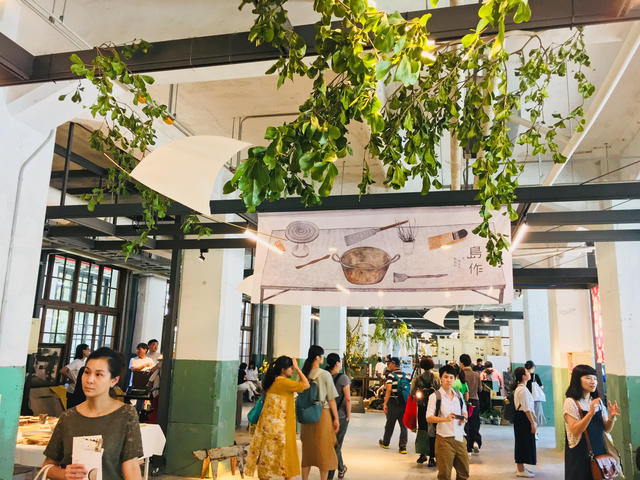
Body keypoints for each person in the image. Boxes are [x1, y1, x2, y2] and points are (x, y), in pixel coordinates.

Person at [42, 347, 143, 480]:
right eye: (87, 372)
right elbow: (47, 466)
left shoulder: (126, 414)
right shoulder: (68, 417)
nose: (89, 380)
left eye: (98, 374)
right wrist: (64, 473)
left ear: (114, 380)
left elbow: (131, 466)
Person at [246, 356, 309, 480]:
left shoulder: (272, 382)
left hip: (268, 428)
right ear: (283, 370)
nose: (292, 370)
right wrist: (298, 368)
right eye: (290, 368)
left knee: (268, 461)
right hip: (281, 430)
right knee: (287, 466)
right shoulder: (284, 383)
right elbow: (306, 385)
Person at [564, 364, 621, 480]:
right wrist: (590, 414)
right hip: (580, 452)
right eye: (588, 378)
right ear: (577, 380)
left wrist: (611, 417)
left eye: (595, 378)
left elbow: (606, 429)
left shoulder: (597, 401)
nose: (593, 382)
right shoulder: (571, 402)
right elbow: (575, 430)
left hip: (599, 449)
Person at [301, 345, 340, 480]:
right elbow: (331, 399)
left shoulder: (304, 374)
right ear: (317, 357)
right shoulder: (325, 374)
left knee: (307, 452)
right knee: (324, 451)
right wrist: (336, 418)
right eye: (322, 355)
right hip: (322, 415)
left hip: (306, 416)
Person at [426, 364, 469, 480]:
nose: (448, 380)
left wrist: (463, 419)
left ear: (455, 379)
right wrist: (445, 419)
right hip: (444, 438)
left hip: (459, 435)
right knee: (444, 474)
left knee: (464, 472)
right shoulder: (435, 396)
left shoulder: (459, 395)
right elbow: (429, 417)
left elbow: (465, 412)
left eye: (451, 377)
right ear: (441, 379)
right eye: (445, 377)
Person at [411, 356, 439, 467]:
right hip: (433, 408)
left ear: (421, 366)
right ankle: (432, 457)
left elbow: (412, 392)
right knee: (432, 430)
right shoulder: (436, 377)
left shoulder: (417, 378)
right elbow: (439, 390)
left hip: (422, 406)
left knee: (422, 429)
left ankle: (422, 454)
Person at [326, 353, 351, 480]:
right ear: (337, 363)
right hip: (340, 416)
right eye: (340, 361)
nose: (341, 363)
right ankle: (330, 475)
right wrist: (348, 415)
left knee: (332, 445)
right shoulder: (343, 378)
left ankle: (341, 468)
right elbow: (348, 399)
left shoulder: (325, 376)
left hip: (326, 415)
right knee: (336, 446)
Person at [378, 357, 408, 454]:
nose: (388, 365)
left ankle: (386, 443)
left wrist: (385, 403)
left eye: (389, 364)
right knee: (403, 426)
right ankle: (403, 447)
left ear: (393, 364)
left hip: (393, 401)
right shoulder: (405, 375)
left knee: (390, 424)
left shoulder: (391, 375)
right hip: (403, 402)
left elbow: (388, 390)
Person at [512, 367, 537, 477]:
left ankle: (521, 467)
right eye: (527, 372)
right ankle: (520, 470)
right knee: (522, 443)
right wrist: (532, 423)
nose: (529, 373)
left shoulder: (521, 388)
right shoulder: (522, 390)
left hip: (521, 417)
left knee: (522, 442)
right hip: (523, 418)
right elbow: (526, 408)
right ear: (523, 376)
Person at [460, 354, 482, 455]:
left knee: (465, 424)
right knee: (475, 422)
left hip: (464, 402)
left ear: (461, 363)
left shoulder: (460, 374)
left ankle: (467, 446)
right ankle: (475, 442)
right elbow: (480, 389)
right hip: (475, 401)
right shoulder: (476, 374)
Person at [524, 361, 546, 432]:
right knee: (536, 415)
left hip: (527, 397)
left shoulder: (523, 376)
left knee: (528, 414)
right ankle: (535, 431)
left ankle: (529, 429)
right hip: (535, 398)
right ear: (533, 368)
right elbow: (541, 387)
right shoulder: (535, 376)